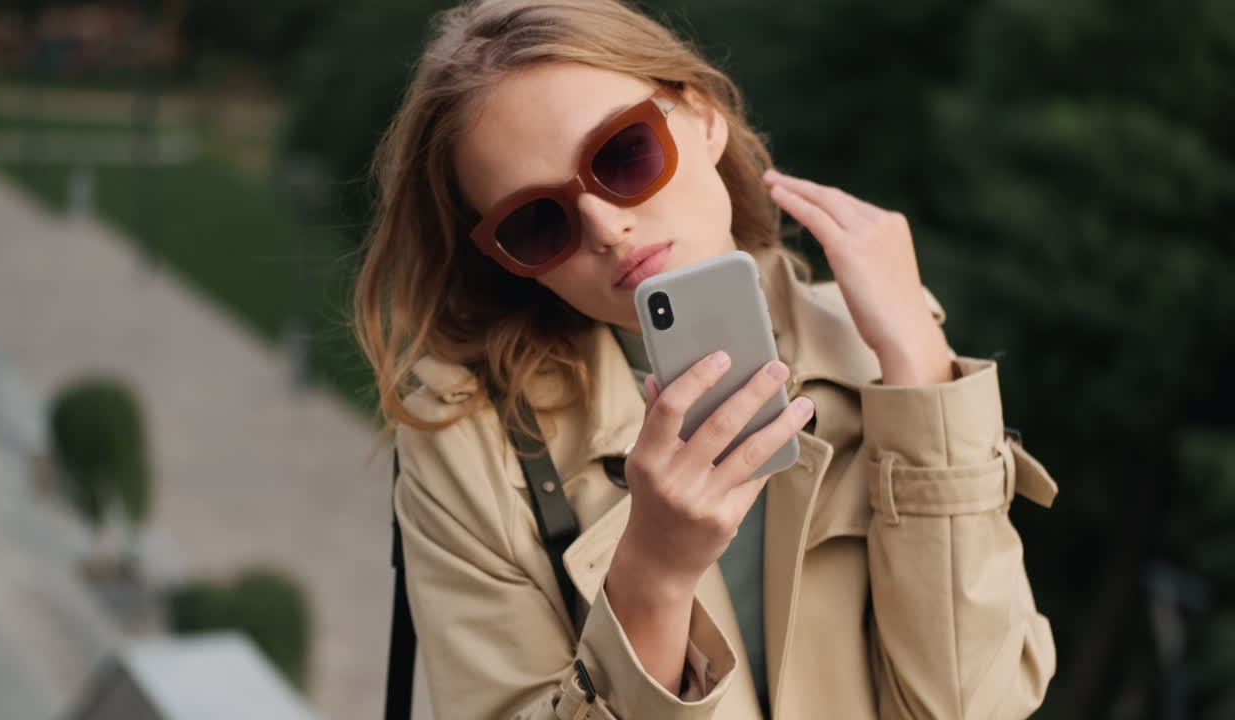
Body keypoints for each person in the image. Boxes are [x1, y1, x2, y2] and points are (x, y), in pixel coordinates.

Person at [354, 0, 1059, 717]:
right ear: (512, 262)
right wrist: (654, 580)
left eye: (623, 154)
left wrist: (919, 366)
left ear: (704, 116)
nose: (606, 225)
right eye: (537, 223)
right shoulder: (469, 437)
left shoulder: (882, 350)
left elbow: (976, 706)